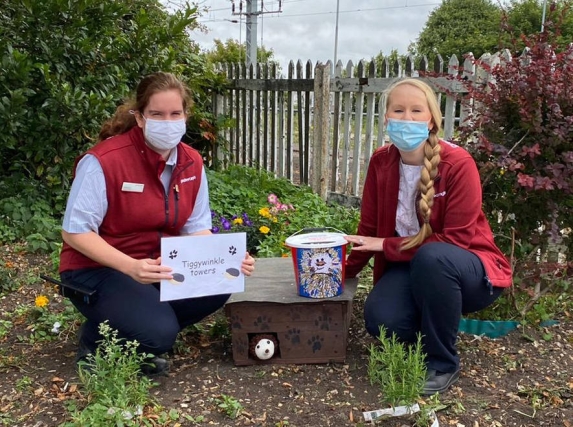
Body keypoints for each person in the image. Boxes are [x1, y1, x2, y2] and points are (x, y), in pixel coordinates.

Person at [59, 71, 256, 376]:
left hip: (155, 267)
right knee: (160, 334)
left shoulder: (192, 161)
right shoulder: (104, 161)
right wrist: (130, 267)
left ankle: (132, 323)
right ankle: (98, 339)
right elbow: (75, 231)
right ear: (139, 118)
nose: (167, 121)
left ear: (185, 115)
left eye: (175, 113)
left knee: (221, 281)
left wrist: (226, 257)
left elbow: (196, 227)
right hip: (97, 269)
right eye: (157, 114)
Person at [344, 78, 512, 395]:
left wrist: (388, 246)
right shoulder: (381, 161)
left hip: (468, 271)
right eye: (398, 110)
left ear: (430, 119)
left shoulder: (458, 163)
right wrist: (342, 273)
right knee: (382, 322)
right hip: (413, 267)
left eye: (416, 110)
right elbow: (368, 231)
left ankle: (443, 362)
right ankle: (434, 320)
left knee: (433, 257)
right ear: (386, 119)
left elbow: (457, 241)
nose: (406, 118)